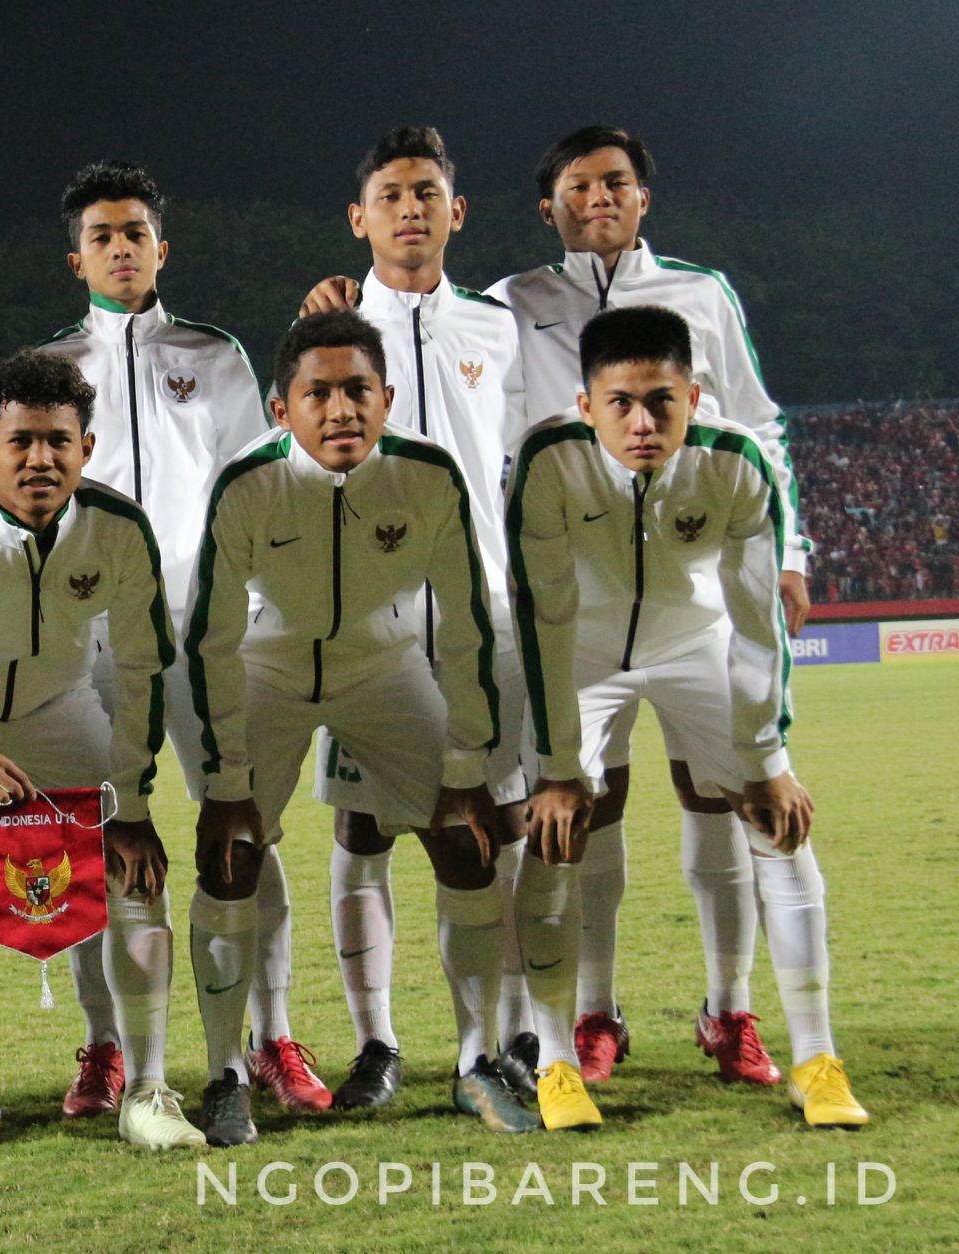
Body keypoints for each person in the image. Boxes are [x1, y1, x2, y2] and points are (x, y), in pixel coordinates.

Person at [300, 125, 810, 1086]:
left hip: (598, 605)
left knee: (662, 803)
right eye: (578, 185)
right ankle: (448, 1036)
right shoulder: (514, 303)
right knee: (401, 825)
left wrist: (791, 554)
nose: (599, 198)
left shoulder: (678, 299)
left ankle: (665, 1018)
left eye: (616, 181)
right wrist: (337, 301)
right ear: (548, 207)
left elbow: (756, 423)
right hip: (427, 618)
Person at [507, 305, 866, 1130]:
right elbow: (545, 617)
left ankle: (816, 1058)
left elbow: (753, 621)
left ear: (694, 397)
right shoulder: (548, 460)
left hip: (693, 641)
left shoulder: (735, 462)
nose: (642, 423)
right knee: (552, 833)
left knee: (778, 822)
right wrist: (558, 769)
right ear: (584, 402)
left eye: (662, 401)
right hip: (584, 650)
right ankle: (558, 1060)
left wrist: (766, 756)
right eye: (621, 403)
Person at [185, 312, 532, 1142]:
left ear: (388, 397)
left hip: (381, 665)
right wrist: (228, 783)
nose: (340, 409)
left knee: (462, 840)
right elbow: (212, 638)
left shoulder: (428, 475)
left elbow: (464, 626)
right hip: (269, 669)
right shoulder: (246, 484)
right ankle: (223, 1073)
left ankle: (474, 1063)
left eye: (357, 391)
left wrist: (467, 759)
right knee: (228, 854)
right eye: (319, 393)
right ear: (282, 409)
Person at [0, 349, 205, 1159]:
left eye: (59, 440)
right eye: (21, 441)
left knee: (132, 870)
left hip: (60, 710)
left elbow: (141, 668)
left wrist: (132, 803)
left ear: (87, 447)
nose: (41, 459)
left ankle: (149, 1089)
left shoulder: (118, 529)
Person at [33, 161, 292, 1119]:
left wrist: (252, 605)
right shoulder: (51, 370)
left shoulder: (215, 355)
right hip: (90, 646)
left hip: (200, 630)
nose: (121, 248)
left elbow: (252, 487)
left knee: (245, 829)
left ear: (160, 247)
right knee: (91, 845)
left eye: (135, 232)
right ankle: (104, 1048)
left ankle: (272, 1036)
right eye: (102, 236)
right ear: (77, 258)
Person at [299, 126, 540, 1107]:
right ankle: (375, 1045)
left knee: (503, 824)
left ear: (455, 211)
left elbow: (525, 469)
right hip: (371, 625)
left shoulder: (496, 329)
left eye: (426, 192)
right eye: (390, 193)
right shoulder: (326, 333)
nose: (409, 208)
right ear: (358, 218)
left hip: (485, 621)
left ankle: (503, 1038)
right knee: (362, 830)